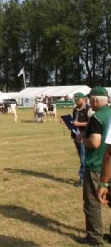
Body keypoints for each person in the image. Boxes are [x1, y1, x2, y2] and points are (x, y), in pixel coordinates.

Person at [75, 87, 110, 246]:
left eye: (90, 99)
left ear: (95, 100)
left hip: (97, 165)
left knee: (92, 202)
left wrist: (83, 140)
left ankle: (95, 237)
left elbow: (95, 142)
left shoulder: (96, 117)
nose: (89, 102)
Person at [72, 92, 91, 187]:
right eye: (75, 99)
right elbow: (74, 122)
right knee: (81, 157)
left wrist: (78, 124)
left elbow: (91, 123)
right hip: (76, 136)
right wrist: (68, 121)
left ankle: (83, 179)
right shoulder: (75, 109)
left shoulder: (89, 109)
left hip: (85, 136)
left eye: (77, 99)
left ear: (83, 99)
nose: (76, 101)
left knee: (84, 158)